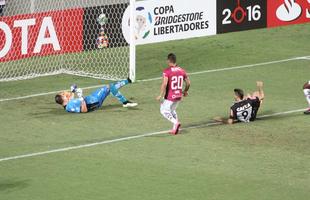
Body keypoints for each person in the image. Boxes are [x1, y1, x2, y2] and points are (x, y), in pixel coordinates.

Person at [55, 78, 138, 113]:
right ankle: (125, 102)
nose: (65, 94)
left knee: (109, 87)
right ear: (63, 99)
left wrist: (73, 91)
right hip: (94, 102)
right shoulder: (70, 105)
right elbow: (84, 110)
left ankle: (128, 80)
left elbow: (73, 100)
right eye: (63, 95)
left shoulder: (67, 105)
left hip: (91, 98)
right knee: (109, 87)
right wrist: (81, 97)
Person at [156, 53, 190, 135]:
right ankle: (175, 128)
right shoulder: (182, 70)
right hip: (179, 96)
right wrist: (185, 91)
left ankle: (176, 123)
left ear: (168, 61)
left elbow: (164, 84)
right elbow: (188, 83)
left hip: (170, 96)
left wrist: (160, 95)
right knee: (172, 110)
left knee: (163, 111)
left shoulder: (167, 71)